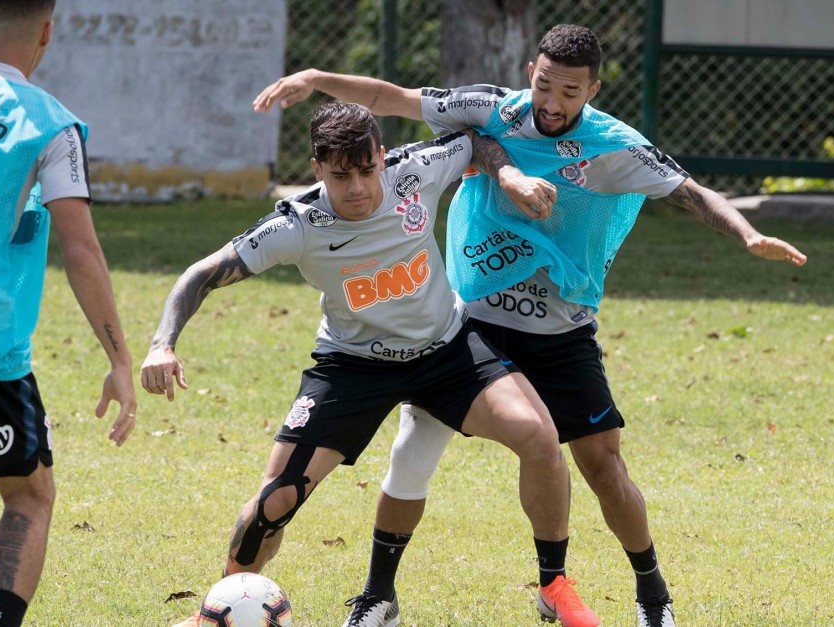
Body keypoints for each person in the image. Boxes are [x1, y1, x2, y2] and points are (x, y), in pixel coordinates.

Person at [253, 23, 808, 627]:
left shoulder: (615, 147)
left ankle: (653, 598)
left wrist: (748, 234)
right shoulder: (493, 109)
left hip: (563, 334)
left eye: (570, 92)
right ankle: (379, 596)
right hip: (474, 325)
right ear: (529, 74)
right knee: (415, 447)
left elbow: (692, 193)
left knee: (603, 466)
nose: (552, 102)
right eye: (545, 85)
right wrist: (316, 80)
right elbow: (393, 97)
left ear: (592, 89)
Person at [142, 100, 603, 627]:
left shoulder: (416, 171)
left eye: (366, 170)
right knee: (276, 502)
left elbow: (474, 140)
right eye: (340, 176)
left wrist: (511, 175)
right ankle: (216, 613)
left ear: (382, 157)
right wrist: (163, 343)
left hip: (446, 350)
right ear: (317, 169)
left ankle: (552, 587)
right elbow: (201, 274)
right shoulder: (299, 224)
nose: (357, 187)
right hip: (352, 365)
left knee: (539, 436)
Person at [0, 1, 138, 626]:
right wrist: (118, 358)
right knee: (28, 495)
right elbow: (79, 247)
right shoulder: (53, 127)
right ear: (48, 32)